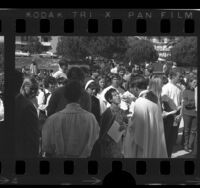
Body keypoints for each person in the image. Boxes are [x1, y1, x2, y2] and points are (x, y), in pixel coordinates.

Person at [42, 80, 100, 158]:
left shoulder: (53, 120)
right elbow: (95, 141)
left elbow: (47, 147)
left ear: (65, 96)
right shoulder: (91, 119)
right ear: (80, 96)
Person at [124, 75, 168, 158]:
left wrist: (129, 121)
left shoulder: (140, 102)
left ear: (136, 88)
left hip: (143, 142)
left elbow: (137, 129)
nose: (130, 91)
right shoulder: (155, 97)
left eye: (131, 88)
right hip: (154, 136)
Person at [92, 88, 128, 158]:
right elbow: (101, 132)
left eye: (118, 94)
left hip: (120, 146)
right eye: (115, 95)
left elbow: (126, 127)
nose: (118, 96)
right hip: (109, 148)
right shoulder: (107, 113)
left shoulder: (123, 112)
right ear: (110, 99)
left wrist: (124, 127)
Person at [14, 76, 40, 158]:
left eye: (36, 89)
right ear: (24, 87)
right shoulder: (28, 106)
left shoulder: (16, 99)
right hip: (27, 149)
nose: (34, 91)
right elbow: (33, 134)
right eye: (32, 88)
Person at [161, 70, 183, 155]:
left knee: (173, 138)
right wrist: (174, 114)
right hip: (169, 116)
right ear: (173, 76)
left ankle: (169, 154)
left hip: (177, 116)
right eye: (178, 76)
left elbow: (181, 102)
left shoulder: (179, 88)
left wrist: (180, 114)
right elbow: (165, 101)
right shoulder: (166, 87)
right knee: (167, 137)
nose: (180, 78)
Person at [182, 75, 197, 153]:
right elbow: (186, 104)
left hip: (195, 114)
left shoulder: (196, 91)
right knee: (186, 130)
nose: (196, 83)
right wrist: (195, 103)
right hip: (187, 113)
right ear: (190, 83)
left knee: (193, 131)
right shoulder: (185, 91)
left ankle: (190, 145)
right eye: (194, 82)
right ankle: (186, 145)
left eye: (196, 82)